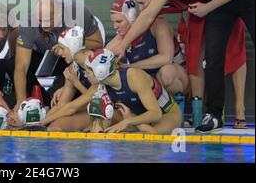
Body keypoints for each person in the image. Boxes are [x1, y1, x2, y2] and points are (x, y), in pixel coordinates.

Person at [109, 0, 255, 133]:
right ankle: (215, 115)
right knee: (212, 60)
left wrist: (207, 7)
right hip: (220, 2)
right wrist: (124, 44)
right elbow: (148, 15)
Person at [42, 49, 182, 134]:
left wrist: (128, 121)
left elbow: (156, 113)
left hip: (166, 113)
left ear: (100, 71)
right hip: (135, 116)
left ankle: (134, 125)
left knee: (151, 135)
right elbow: (71, 107)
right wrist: (42, 123)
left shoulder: (134, 77)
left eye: (89, 71)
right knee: (102, 122)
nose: (85, 75)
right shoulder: (101, 85)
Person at [12, 0, 105, 114]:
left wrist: (69, 45)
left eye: (48, 20)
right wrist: (20, 101)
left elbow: (98, 45)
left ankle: (59, 103)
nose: (44, 25)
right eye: (40, 21)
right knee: (13, 63)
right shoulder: (28, 23)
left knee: (83, 62)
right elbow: (21, 66)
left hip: (72, 60)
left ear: (59, 14)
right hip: (45, 58)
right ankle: (37, 104)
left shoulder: (79, 13)